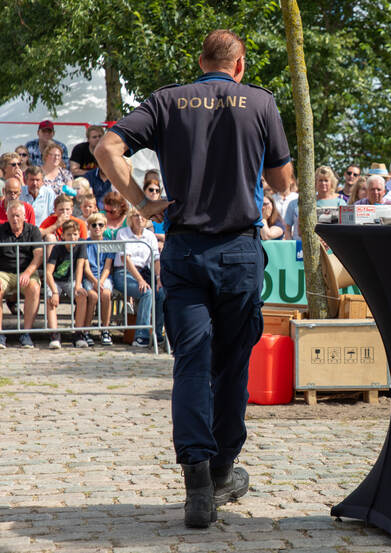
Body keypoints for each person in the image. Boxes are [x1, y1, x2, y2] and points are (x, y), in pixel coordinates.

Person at [95, 29, 293, 528]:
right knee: (231, 367)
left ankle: (198, 485)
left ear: (200, 60)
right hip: (239, 252)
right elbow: (282, 182)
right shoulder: (261, 104)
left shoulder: (166, 101)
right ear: (240, 65)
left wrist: (140, 202)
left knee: (190, 364)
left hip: (184, 251)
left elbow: (107, 148)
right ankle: (223, 469)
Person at [110, 208, 165, 349]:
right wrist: (140, 280)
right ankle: (141, 336)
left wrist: (158, 277)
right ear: (130, 218)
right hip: (123, 273)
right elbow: (125, 259)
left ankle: (157, 334)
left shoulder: (150, 236)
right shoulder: (123, 233)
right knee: (147, 293)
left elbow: (156, 259)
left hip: (144, 272)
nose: (139, 219)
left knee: (161, 293)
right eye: (136, 216)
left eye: (142, 216)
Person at [0, 201, 43, 348]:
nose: (15, 219)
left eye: (18, 215)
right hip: (4, 272)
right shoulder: (1, 230)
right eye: (12, 215)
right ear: (7, 215)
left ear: (24, 216)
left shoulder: (33, 231)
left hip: (26, 271)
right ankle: (0, 334)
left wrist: (27, 273)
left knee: (34, 288)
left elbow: (38, 256)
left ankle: (26, 333)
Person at [44, 220, 89, 349]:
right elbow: (48, 273)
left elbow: (80, 266)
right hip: (55, 280)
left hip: (71, 280)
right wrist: (55, 292)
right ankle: (54, 335)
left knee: (81, 296)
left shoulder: (81, 245)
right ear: (62, 236)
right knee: (50, 298)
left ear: (79, 234)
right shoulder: (57, 248)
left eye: (75, 234)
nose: (72, 238)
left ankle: (78, 334)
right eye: (69, 234)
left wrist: (78, 286)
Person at [82, 212, 114, 346]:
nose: (97, 228)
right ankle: (86, 330)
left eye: (100, 225)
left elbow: (107, 267)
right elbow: (86, 268)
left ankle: (105, 329)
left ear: (105, 227)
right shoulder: (84, 244)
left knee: (106, 294)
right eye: (94, 225)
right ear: (89, 227)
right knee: (93, 296)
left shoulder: (108, 244)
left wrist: (100, 282)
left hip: (103, 277)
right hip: (89, 277)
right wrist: (95, 282)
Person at [143, 172, 166, 248]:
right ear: (144, 190)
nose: (154, 192)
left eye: (157, 190)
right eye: (151, 190)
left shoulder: (165, 210)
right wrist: (157, 236)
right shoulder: (138, 210)